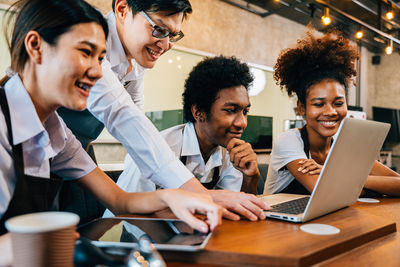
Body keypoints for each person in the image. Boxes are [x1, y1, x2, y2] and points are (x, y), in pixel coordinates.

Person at [0, 0, 224, 264]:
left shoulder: (57, 132)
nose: (97, 72)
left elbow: (119, 200)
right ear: (36, 47)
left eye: (101, 58)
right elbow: (125, 118)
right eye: (85, 52)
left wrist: (176, 197)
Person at [58, 0, 268, 221]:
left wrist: (187, 198)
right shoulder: (96, 43)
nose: (166, 44)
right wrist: (200, 194)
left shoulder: (65, 144)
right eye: (159, 29)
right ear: (122, 9)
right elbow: (124, 117)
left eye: (172, 35)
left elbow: (136, 124)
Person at [105, 56, 260, 218]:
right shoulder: (155, 148)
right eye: (230, 110)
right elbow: (126, 214)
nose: (242, 123)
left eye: (245, 112)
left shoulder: (228, 153)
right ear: (198, 112)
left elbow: (234, 210)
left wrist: (251, 178)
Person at [263, 29, 400, 196]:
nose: (331, 111)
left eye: (338, 103)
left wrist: (331, 173)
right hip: (277, 221)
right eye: (319, 104)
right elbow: (326, 191)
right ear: (301, 108)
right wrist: (361, 183)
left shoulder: (345, 145)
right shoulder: (288, 141)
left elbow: (398, 183)